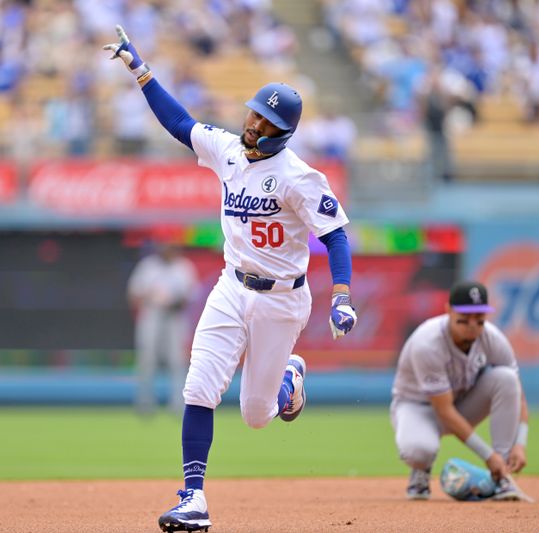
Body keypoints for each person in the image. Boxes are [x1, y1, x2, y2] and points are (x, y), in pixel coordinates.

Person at [103, 26, 358, 532]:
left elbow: (336, 236)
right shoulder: (228, 150)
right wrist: (141, 70)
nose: (252, 122)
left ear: (282, 132)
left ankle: (289, 379)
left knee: (257, 414)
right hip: (231, 285)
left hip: (282, 300)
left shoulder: (300, 178)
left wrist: (343, 295)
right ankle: (192, 496)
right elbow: (180, 123)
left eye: (264, 120)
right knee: (198, 386)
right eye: (252, 112)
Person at [390, 280, 529, 501]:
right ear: (448, 311)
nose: (472, 323)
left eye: (478, 315)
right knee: (418, 450)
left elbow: (517, 393)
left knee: (507, 379)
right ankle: (421, 469)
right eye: (465, 315)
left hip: (462, 403)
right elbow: (444, 411)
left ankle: (501, 477)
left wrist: (520, 443)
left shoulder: (492, 338)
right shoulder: (427, 342)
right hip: (417, 407)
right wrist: (487, 455)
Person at [127, 236, 198, 415]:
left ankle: (178, 404)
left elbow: (192, 295)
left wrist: (175, 301)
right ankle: (145, 404)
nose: (168, 250)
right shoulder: (148, 266)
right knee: (147, 360)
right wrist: (151, 297)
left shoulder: (183, 266)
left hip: (175, 317)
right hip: (152, 314)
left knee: (177, 361)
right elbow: (133, 294)